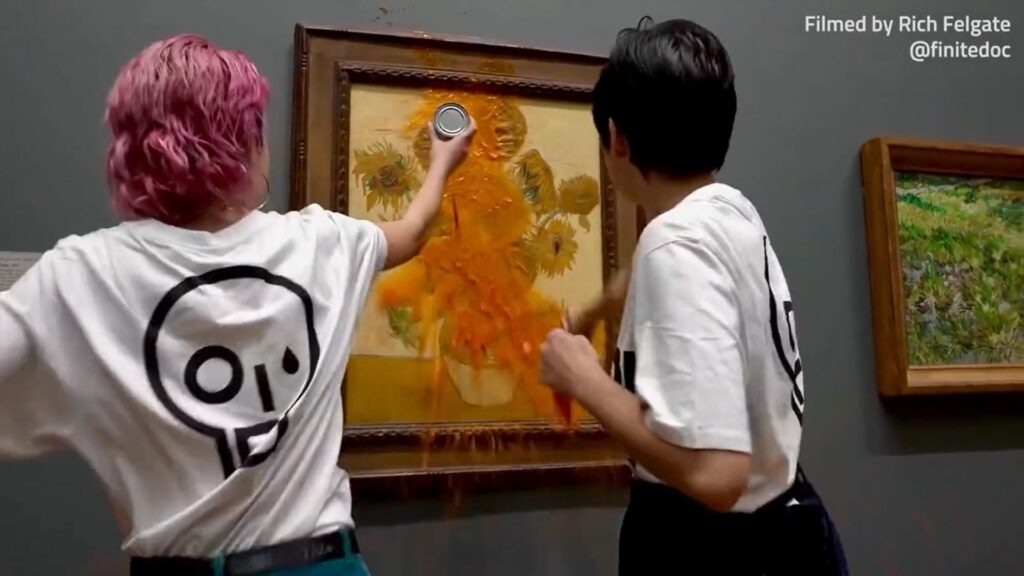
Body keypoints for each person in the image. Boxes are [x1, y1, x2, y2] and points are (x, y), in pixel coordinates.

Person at [0, 34, 474, 575]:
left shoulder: (82, 274)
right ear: (247, 143)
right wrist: (442, 162)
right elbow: (412, 232)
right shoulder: (321, 244)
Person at [539, 18, 849, 575]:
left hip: (720, 550)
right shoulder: (731, 214)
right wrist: (608, 303)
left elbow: (716, 475)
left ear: (617, 139)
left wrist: (584, 380)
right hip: (787, 530)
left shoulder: (674, 243)